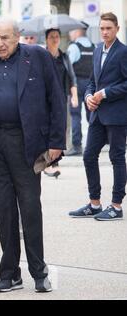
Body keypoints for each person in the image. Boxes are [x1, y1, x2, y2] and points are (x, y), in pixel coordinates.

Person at [0, 17, 66, 293]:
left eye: (5, 38)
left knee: (29, 208)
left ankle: (39, 272)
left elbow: (56, 99)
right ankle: (10, 273)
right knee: (4, 211)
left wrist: (56, 141)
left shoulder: (37, 57)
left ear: (17, 37)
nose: (0, 44)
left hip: (28, 144)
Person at [69, 12, 127, 221]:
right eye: (102, 28)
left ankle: (116, 206)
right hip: (97, 116)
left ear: (117, 29)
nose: (104, 32)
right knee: (88, 155)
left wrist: (105, 93)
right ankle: (94, 203)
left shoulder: (123, 52)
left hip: (117, 116)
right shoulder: (96, 51)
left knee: (117, 157)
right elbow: (93, 81)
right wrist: (87, 97)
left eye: (108, 28)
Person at [43, 28, 78, 178]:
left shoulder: (64, 57)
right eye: (51, 37)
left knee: (60, 129)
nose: (55, 39)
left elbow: (72, 77)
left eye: (57, 36)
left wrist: (74, 96)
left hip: (61, 99)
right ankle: (48, 163)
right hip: (44, 100)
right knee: (47, 129)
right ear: (46, 39)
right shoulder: (42, 56)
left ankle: (54, 162)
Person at [66, 24, 96, 156]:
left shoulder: (74, 47)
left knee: (75, 115)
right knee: (92, 116)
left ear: (78, 32)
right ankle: (95, 144)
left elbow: (67, 66)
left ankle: (77, 146)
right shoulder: (94, 46)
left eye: (72, 31)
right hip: (91, 85)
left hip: (77, 85)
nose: (70, 34)